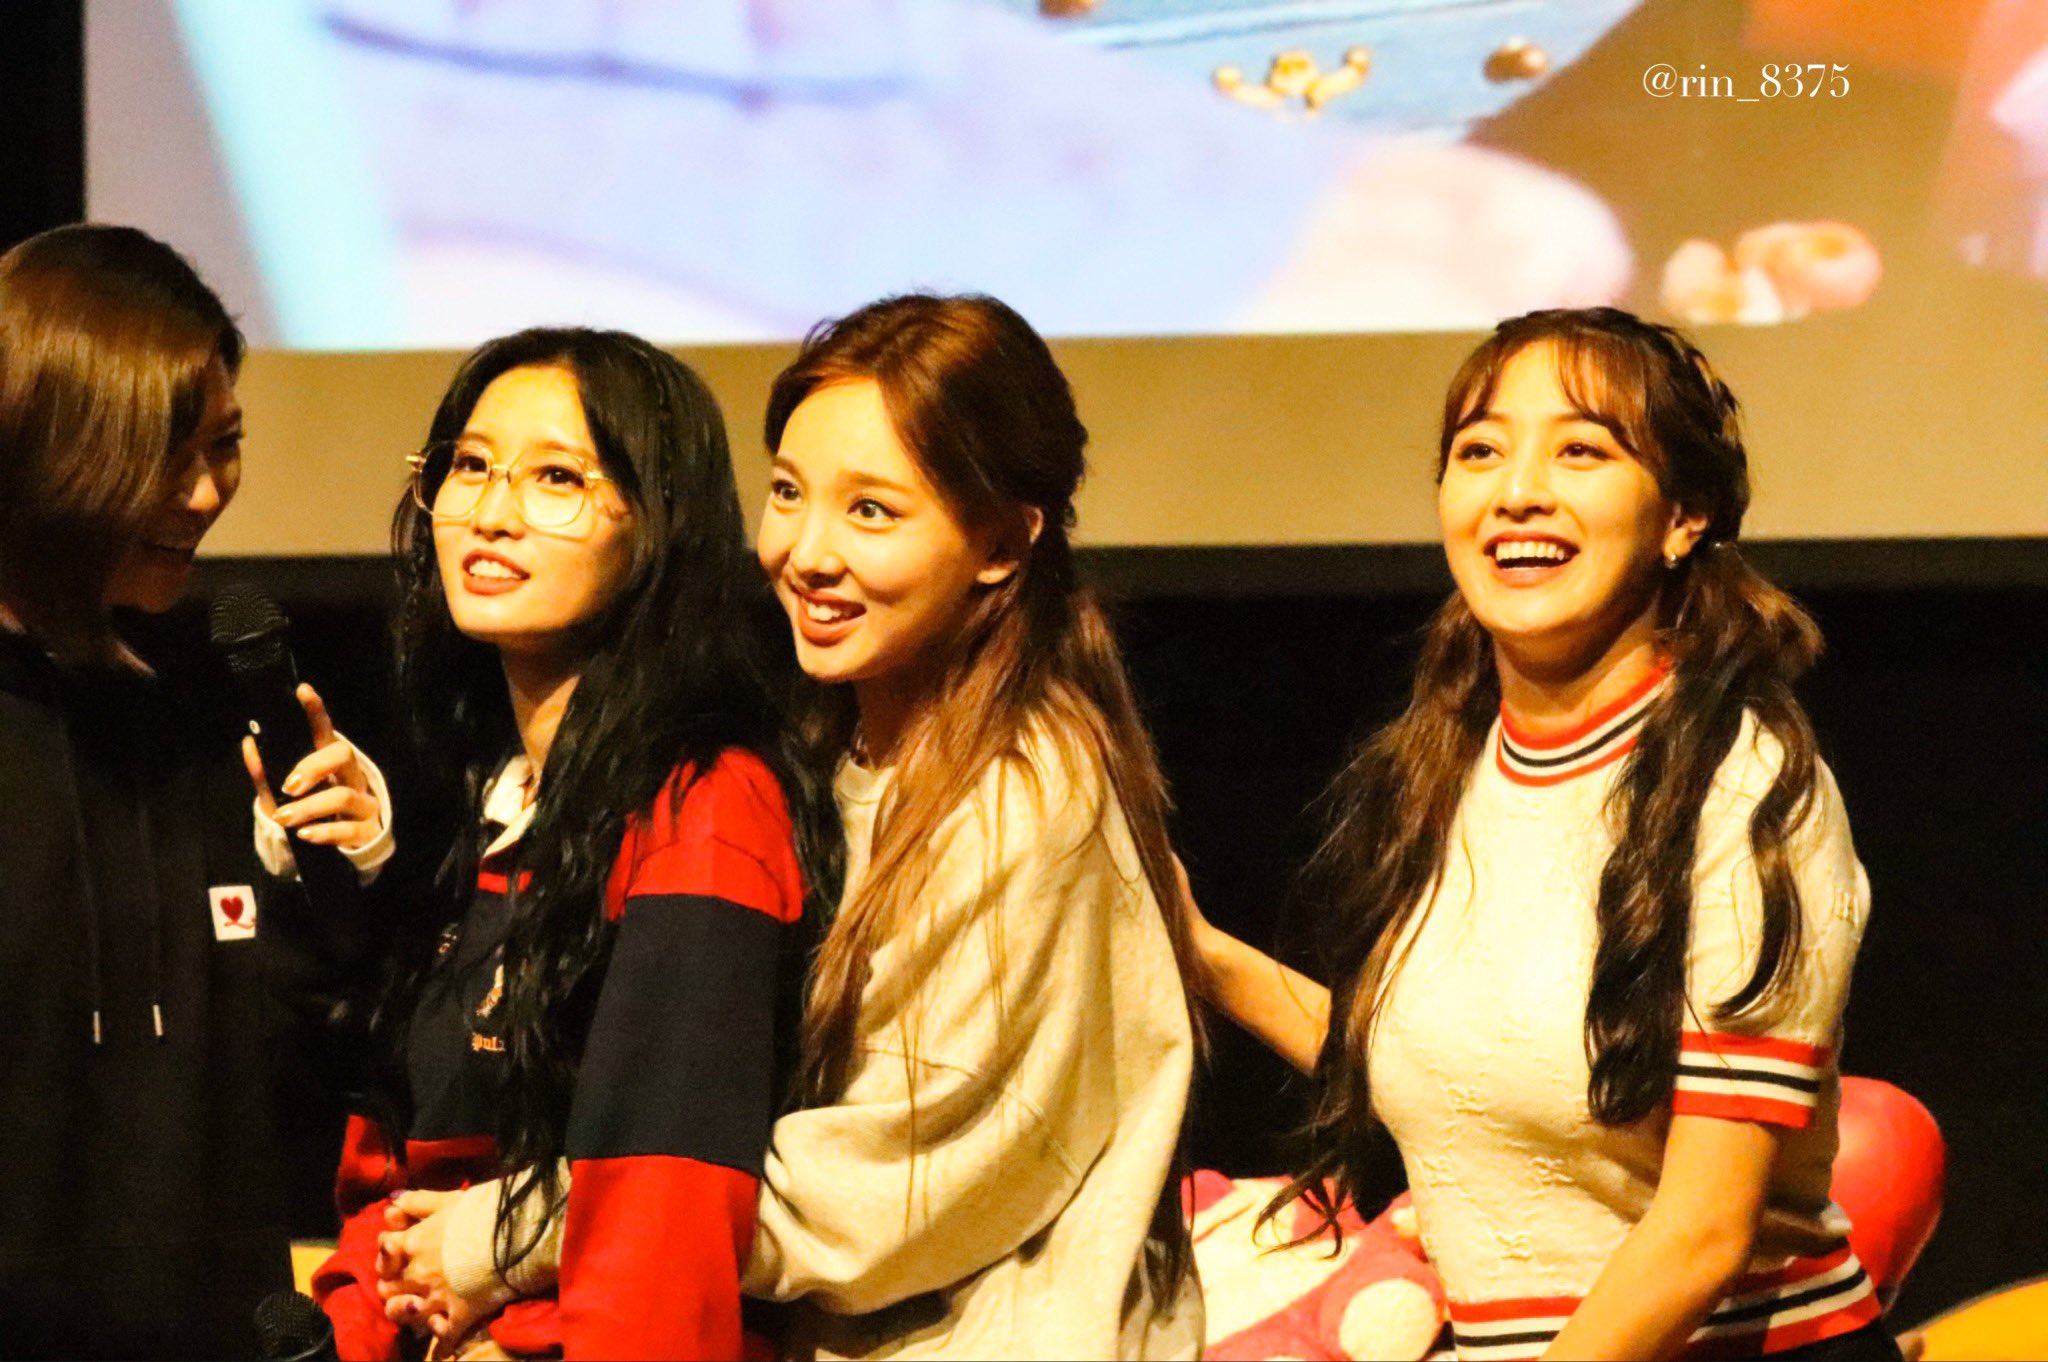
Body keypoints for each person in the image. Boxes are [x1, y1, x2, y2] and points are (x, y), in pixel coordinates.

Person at [394, 293, 1209, 1358]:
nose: (807, 552)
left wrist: (516, 1234)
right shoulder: (824, 747)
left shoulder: (1021, 794)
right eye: (788, 493)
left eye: (871, 511)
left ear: (1004, 544)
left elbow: (891, 1189)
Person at [1193, 307, 1897, 1361]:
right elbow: (1459, 1073)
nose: (1517, 490)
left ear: (1682, 516)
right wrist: (1200, 952)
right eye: (1481, 451)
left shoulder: (1745, 786)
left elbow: (1704, 1233)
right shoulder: (1453, 765)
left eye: (1580, 451)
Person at [312, 327, 828, 1361]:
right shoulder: (492, 804)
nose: (492, 514)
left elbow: (663, 1225)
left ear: (657, 524)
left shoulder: (702, 807)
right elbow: (407, 1179)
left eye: (557, 478)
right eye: (469, 466)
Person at [0, 223, 387, 1358]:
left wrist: (336, 876)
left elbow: (268, 1065)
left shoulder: (189, 730)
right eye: (166, 456)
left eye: (225, 446)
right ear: (47, 443)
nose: (207, 492)